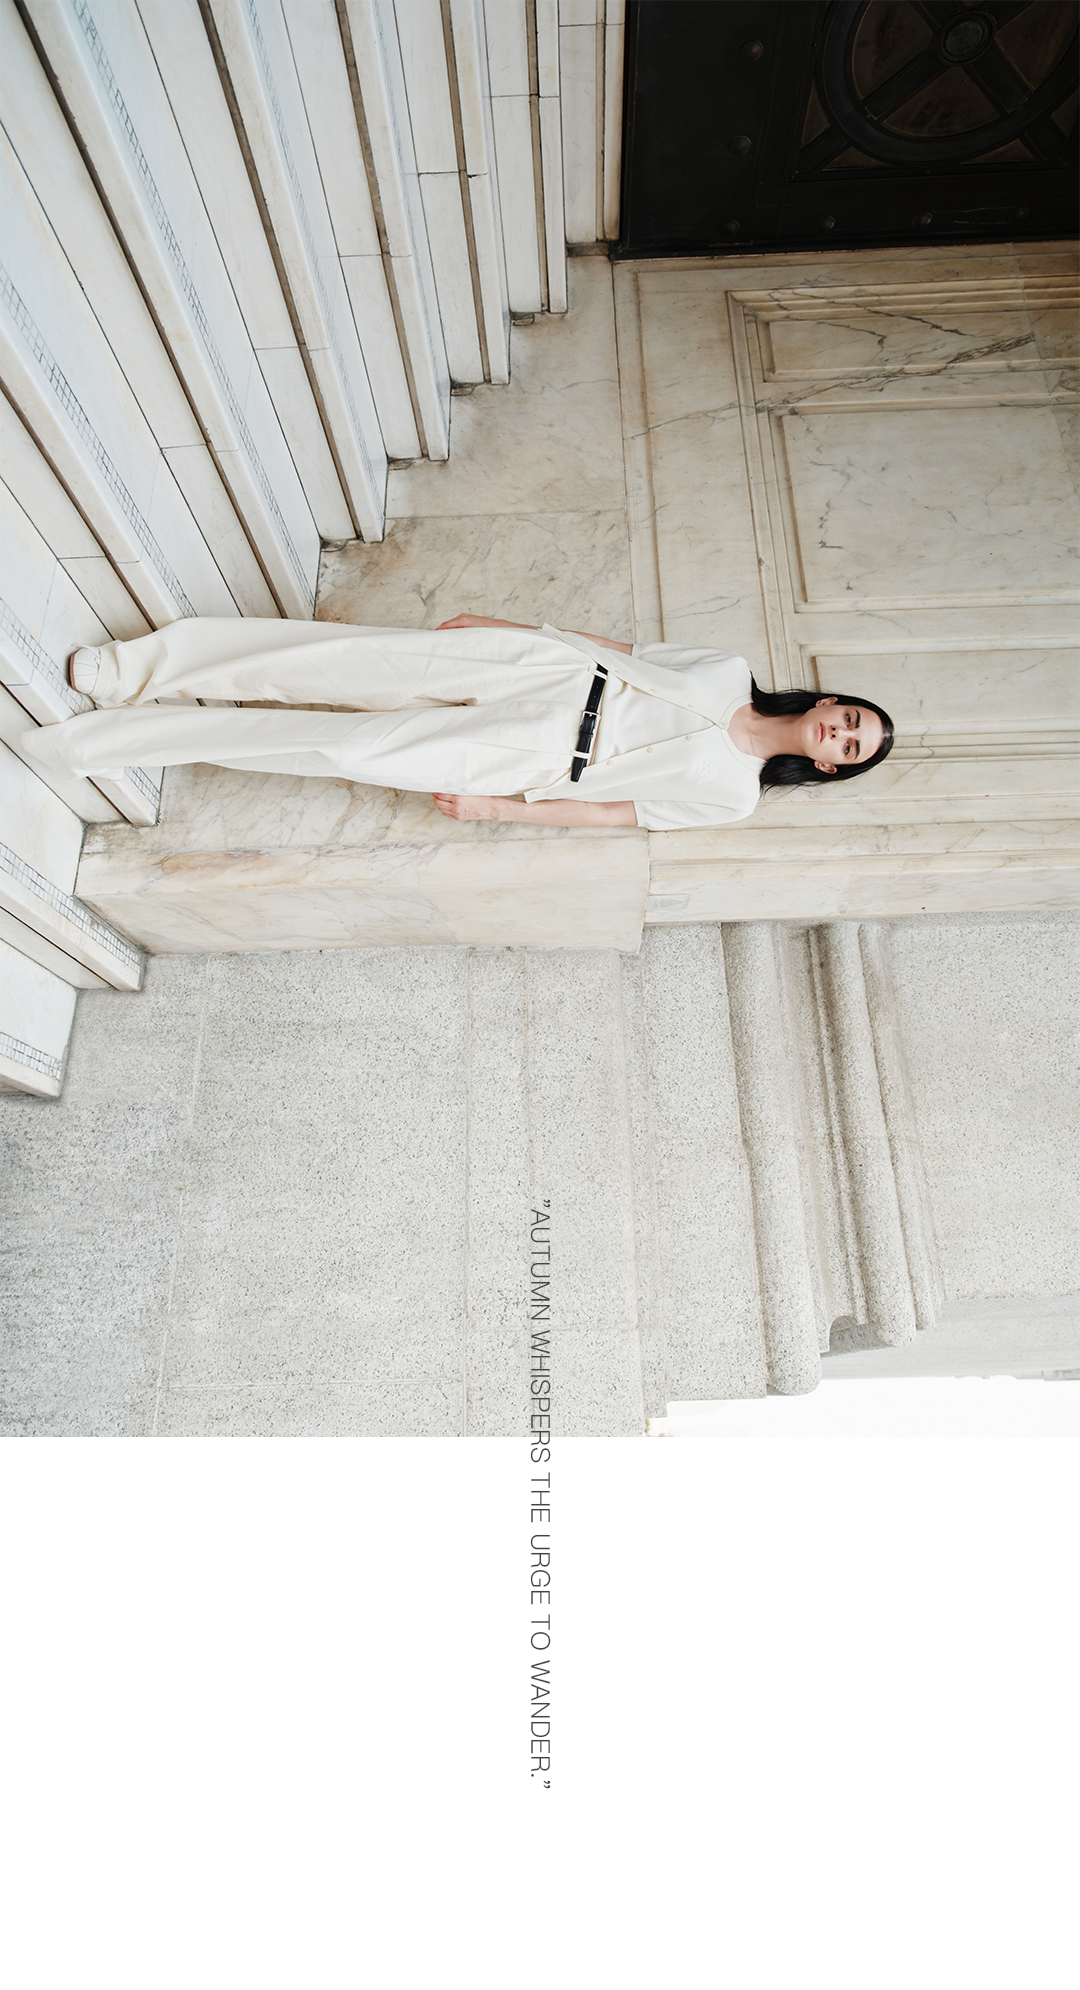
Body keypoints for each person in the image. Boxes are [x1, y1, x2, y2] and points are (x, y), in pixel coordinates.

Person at [23, 613, 893, 829]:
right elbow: (622, 647)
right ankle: (136, 669)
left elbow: (611, 816)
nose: (842, 733)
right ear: (827, 701)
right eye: (850, 717)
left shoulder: (733, 799)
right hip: (550, 669)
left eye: (852, 749)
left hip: (541, 758)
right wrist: (505, 626)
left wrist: (497, 811)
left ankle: (94, 743)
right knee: (331, 662)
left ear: (830, 767)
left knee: (335, 744)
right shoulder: (728, 669)